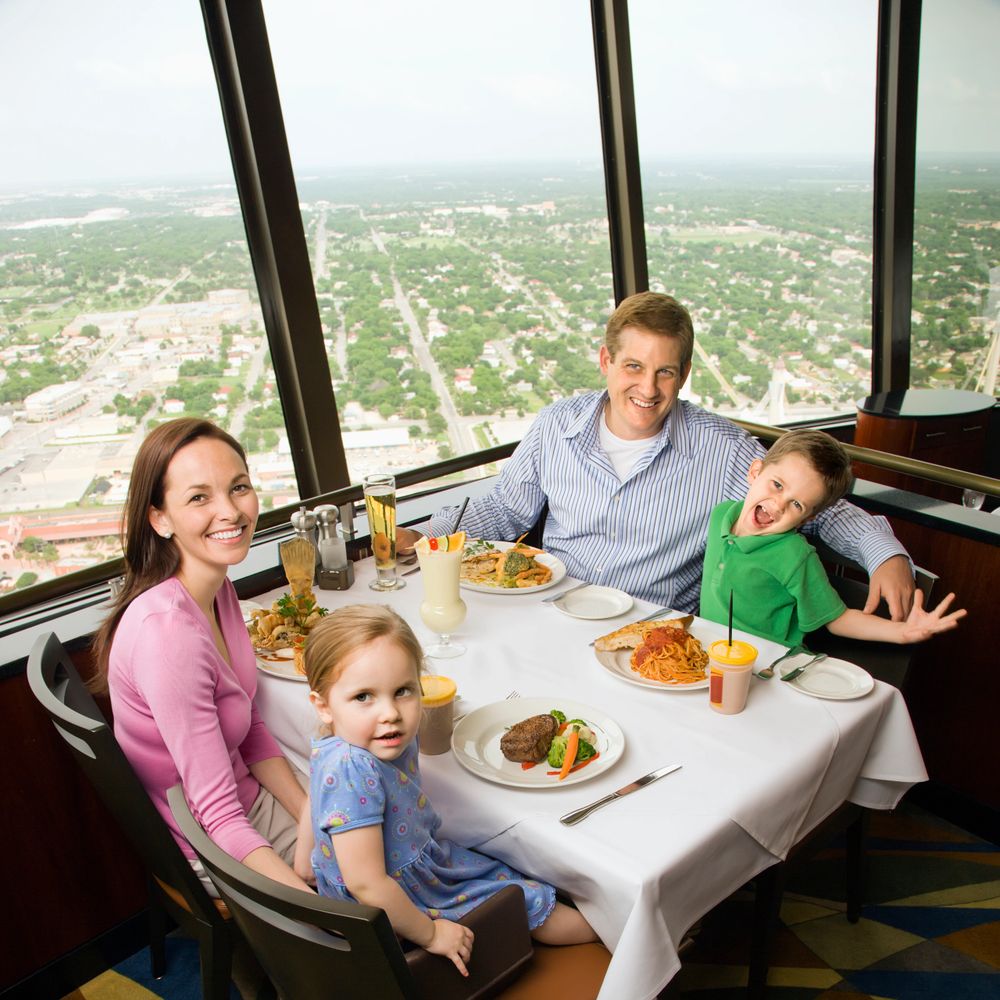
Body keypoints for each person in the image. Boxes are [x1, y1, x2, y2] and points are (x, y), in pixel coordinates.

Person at [398, 291, 916, 620]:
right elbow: (505, 509)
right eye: (632, 366)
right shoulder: (557, 424)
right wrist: (424, 535)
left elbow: (822, 510)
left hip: (650, 639)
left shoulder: (722, 450)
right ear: (606, 361)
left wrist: (887, 556)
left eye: (665, 371)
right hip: (549, 614)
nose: (648, 387)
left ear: (683, 375)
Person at [295, 605, 597, 977]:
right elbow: (367, 884)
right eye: (363, 697)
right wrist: (432, 933)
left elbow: (314, 796)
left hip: (414, 868)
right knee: (524, 898)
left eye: (403, 691)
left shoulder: (354, 737)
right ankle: (609, 935)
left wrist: (303, 862)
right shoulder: (352, 766)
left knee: (510, 871)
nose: (389, 712)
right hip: (395, 901)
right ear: (323, 706)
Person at [92, 418, 311, 893]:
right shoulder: (168, 635)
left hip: (243, 801)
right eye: (199, 498)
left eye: (239, 488)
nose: (230, 512)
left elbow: (248, 726)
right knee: (384, 885)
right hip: (214, 842)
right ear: (159, 518)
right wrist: (330, 913)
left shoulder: (215, 585)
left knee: (372, 818)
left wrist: (311, 817)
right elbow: (217, 814)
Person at [699, 429, 966, 646]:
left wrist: (901, 632)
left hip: (767, 671)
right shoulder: (721, 514)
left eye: (797, 505)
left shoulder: (795, 556)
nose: (779, 504)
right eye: (777, 485)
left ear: (806, 519)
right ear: (755, 472)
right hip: (712, 658)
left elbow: (838, 619)